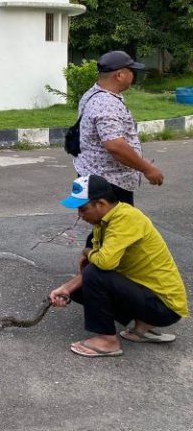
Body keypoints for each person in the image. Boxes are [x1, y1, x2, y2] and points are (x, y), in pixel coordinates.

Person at [49, 174, 188, 358]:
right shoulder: (103, 221)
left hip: (165, 307)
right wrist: (65, 289)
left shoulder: (127, 218)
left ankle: (108, 341)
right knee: (78, 288)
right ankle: (142, 326)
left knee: (94, 272)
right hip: (149, 296)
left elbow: (104, 263)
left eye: (83, 209)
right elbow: (100, 265)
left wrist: (86, 252)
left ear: (100, 203)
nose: (80, 215)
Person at [74, 50, 164, 207]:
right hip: (108, 182)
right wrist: (147, 168)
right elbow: (114, 145)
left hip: (96, 176)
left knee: (108, 228)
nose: (134, 75)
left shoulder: (93, 94)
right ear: (120, 75)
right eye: (131, 71)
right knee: (121, 228)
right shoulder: (106, 103)